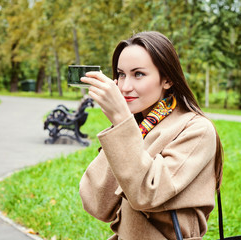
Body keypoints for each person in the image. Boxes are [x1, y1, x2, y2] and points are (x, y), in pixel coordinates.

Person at [79, 31, 223, 240]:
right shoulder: (136, 127)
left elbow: (147, 195)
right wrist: (121, 126)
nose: (125, 87)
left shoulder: (197, 129)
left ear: (168, 79)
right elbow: (97, 204)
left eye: (138, 74)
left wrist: (122, 124)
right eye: (121, 74)